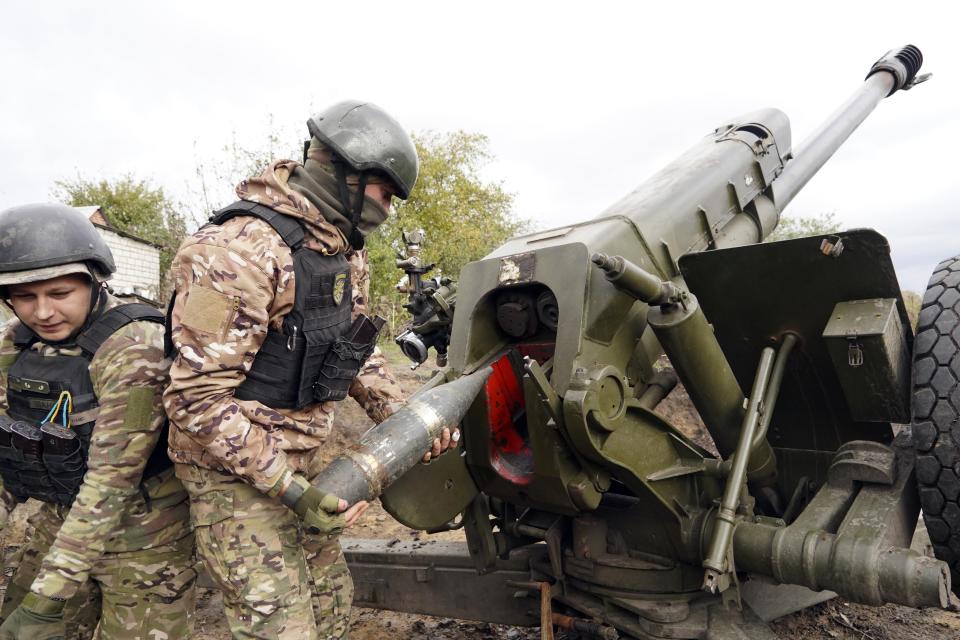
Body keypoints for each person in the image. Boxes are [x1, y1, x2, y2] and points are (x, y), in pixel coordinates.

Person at [163, 100, 455, 640]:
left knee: (332, 611)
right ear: (344, 172)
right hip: (234, 477)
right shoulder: (236, 251)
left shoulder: (344, 253)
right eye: (384, 193)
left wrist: (404, 416)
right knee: (283, 629)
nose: (388, 211)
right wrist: (287, 488)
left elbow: (356, 349)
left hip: (305, 464)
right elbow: (194, 399)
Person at [0, 203, 196, 640]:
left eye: (59, 294)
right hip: (61, 519)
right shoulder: (17, 342)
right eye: (25, 298)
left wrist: (48, 597)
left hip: (144, 538)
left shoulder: (135, 348)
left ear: (94, 281)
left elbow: (111, 481)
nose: (43, 313)